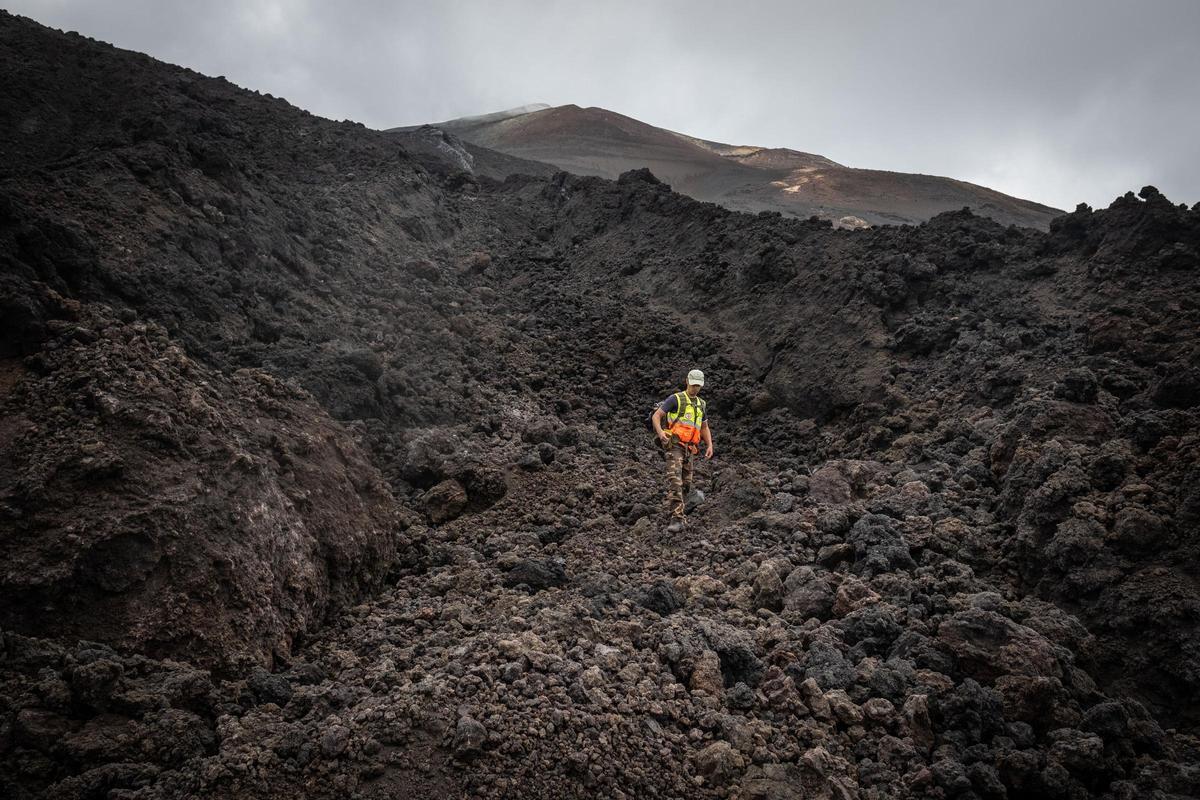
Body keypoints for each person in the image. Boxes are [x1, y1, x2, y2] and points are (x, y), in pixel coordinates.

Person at [651, 369, 714, 533]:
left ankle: (680, 511)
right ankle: (676, 518)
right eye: (693, 385)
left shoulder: (701, 404)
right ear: (687, 381)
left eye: (698, 386)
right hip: (675, 446)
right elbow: (656, 416)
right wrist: (661, 433)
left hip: (690, 449)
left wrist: (709, 445)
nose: (695, 388)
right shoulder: (676, 399)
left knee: (686, 484)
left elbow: (704, 427)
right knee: (675, 480)